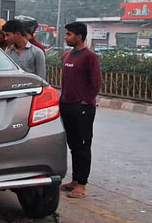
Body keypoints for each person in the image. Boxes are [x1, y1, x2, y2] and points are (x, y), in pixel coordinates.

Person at [59, 22, 102, 200]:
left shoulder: (89, 56)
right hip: (66, 105)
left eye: (69, 34)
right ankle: (75, 180)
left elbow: (96, 82)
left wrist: (85, 101)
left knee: (83, 147)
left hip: (82, 108)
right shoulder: (67, 55)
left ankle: (82, 185)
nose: (66, 37)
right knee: (73, 146)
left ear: (79, 36)